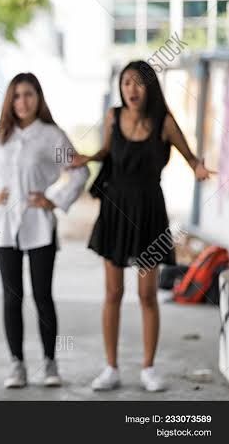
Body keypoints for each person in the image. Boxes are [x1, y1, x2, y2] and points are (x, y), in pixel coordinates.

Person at [70, 60, 214, 392]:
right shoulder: (113, 117)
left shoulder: (164, 122)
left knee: (147, 295)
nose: (131, 90)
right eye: (126, 83)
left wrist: (199, 168)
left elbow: (190, 158)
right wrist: (87, 158)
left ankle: (149, 368)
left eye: (138, 83)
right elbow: (107, 151)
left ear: (150, 87)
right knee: (113, 293)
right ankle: (111, 368)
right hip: (116, 209)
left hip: (149, 210)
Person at [0, 73, 88, 388]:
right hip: (5, 228)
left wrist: (53, 200)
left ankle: (50, 363)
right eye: (17, 95)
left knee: (43, 295)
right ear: (10, 100)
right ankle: (16, 365)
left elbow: (79, 171)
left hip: (39, 226)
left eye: (29, 94)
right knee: (12, 297)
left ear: (39, 97)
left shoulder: (51, 136)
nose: (23, 101)